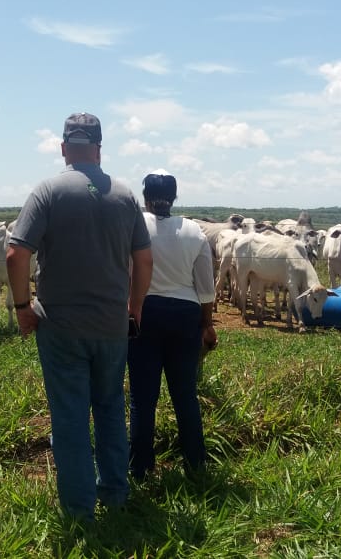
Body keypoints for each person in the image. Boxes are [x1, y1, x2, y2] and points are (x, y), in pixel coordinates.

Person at [6, 113, 153, 521]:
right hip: (111, 326)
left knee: (70, 416)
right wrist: (135, 306)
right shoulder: (124, 196)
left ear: (64, 147)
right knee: (109, 407)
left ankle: (79, 509)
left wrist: (22, 308)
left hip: (61, 326)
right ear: (100, 149)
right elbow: (143, 258)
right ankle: (115, 493)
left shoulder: (48, 191)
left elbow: (16, 254)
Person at [127, 173, 217, 481]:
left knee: (142, 397)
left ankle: (140, 468)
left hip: (144, 314)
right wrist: (207, 324)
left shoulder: (135, 226)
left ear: (144, 197)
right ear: (175, 197)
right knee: (185, 394)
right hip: (185, 316)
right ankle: (195, 463)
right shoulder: (194, 231)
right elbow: (206, 288)